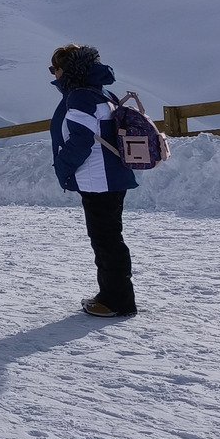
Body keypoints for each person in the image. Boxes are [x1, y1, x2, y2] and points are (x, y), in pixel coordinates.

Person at [49, 43, 138, 317]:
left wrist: (63, 167)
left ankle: (117, 301)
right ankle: (111, 294)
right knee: (109, 238)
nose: (54, 74)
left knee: (106, 240)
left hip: (99, 179)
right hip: (111, 176)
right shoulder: (101, 92)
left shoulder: (80, 97)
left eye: (55, 68)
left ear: (67, 70)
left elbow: (81, 140)